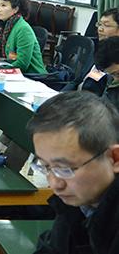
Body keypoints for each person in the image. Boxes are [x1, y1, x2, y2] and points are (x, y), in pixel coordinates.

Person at [26, 91, 119, 253]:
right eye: (45, 166)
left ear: (115, 158)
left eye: (64, 169)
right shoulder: (78, 201)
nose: (54, 184)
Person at [62, 7, 119, 94]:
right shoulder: (99, 49)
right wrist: (60, 95)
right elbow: (78, 80)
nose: (100, 29)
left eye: (106, 25)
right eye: (100, 24)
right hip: (78, 96)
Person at [0, 0, 45, 74]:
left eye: (3, 5)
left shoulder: (23, 29)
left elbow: (22, 64)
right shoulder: (2, 26)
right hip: (11, 73)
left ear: (15, 9)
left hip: (31, 76)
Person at [93, 36, 119, 109]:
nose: (115, 79)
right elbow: (105, 105)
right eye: (112, 74)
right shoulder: (112, 78)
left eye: (117, 74)